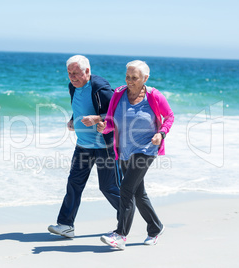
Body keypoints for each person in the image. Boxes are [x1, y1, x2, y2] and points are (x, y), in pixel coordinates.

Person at [97, 60, 174, 250]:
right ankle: (156, 227)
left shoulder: (154, 96)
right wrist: (103, 128)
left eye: (134, 77)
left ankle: (121, 235)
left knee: (126, 188)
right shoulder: (118, 94)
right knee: (139, 193)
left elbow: (169, 116)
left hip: (146, 149)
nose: (130, 81)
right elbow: (111, 120)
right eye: (127, 76)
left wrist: (161, 133)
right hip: (124, 150)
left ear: (145, 78)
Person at [48, 55, 121, 238]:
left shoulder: (100, 88)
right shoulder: (73, 86)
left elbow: (117, 112)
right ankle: (66, 225)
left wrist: (97, 119)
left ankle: (127, 215)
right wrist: (74, 119)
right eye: (69, 73)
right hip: (83, 145)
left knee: (108, 187)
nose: (72, 77)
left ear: (87, 71)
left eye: (76, 73)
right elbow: (80, 106)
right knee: (74, 183)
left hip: (104, 146)